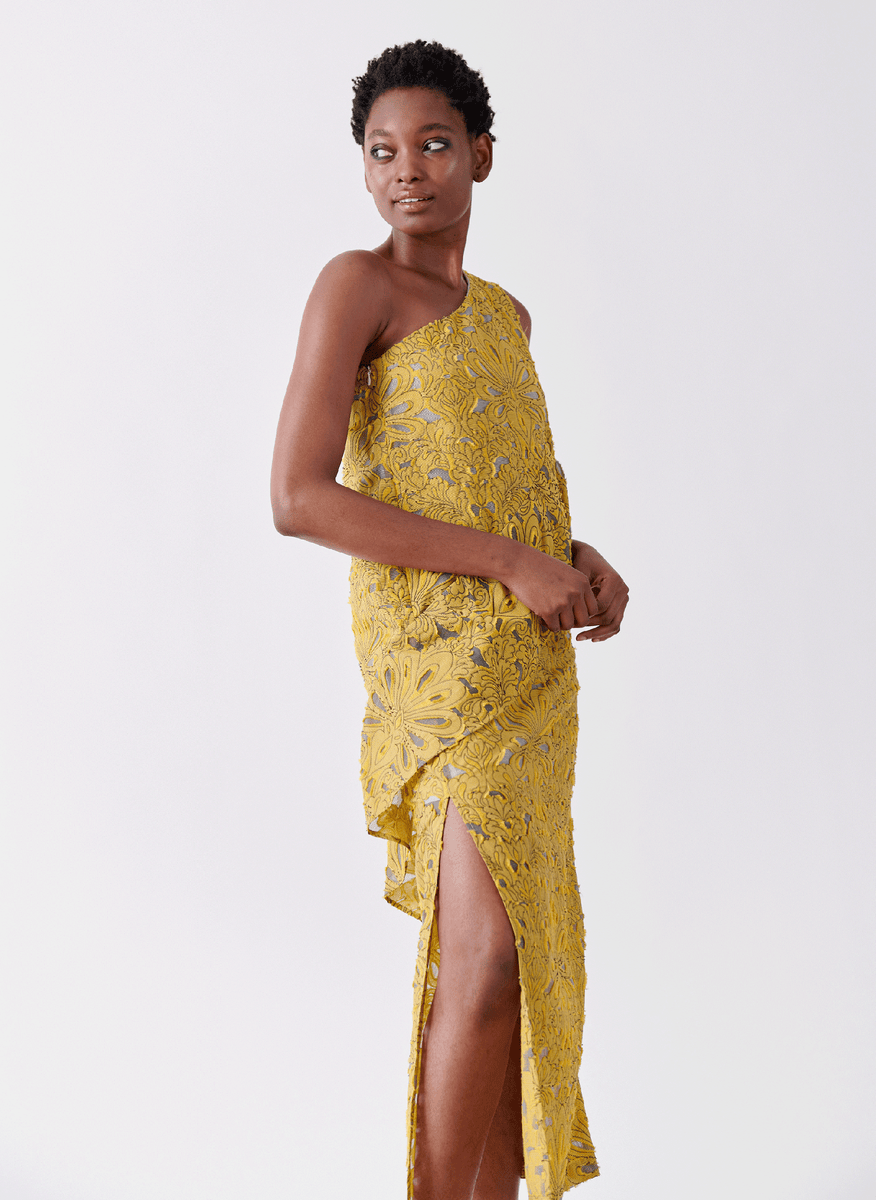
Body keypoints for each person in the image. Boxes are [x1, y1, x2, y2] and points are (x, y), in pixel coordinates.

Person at [270, 40, 629, 1200]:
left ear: (480, 154)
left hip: (530, 673)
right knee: (477, 965)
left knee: (515, 967)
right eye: (381, 151)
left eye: (431, 145)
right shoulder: (356, 285)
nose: (405, 172)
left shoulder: (508, 318)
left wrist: (576, 557)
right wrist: (513, 563)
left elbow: (507, 484)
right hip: (440, 670)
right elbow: (299, 497)